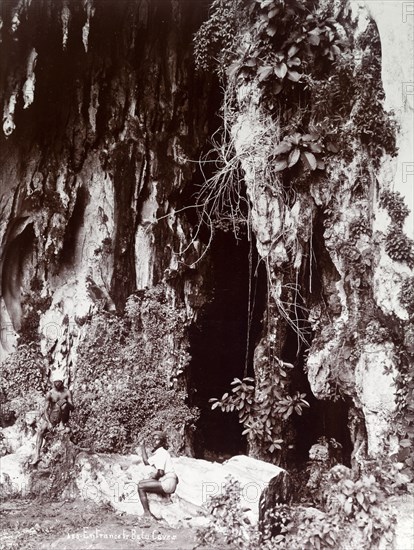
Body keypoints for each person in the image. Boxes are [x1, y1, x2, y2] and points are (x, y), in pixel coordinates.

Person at [30, 379, 74, 465]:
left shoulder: (67, 392)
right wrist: (49, 422)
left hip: (63, 416)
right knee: (40, 431)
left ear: (62, 382)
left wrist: (65, 402)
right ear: (53, 383)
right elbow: (45, 410)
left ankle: (61, 424)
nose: (57, 384)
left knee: (64, 405)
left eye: (59, 382)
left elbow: (72, 407)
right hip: (52, 415)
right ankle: (37, 455)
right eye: (56, 382)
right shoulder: (50, 394)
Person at [137, 431, 179, 520]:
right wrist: (142, 447)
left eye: (157, 440)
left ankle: (147, 513)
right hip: (168, 481)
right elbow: (146, 462)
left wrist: (153, 477)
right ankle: (166, 498)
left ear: (162, 442)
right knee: (142, 482)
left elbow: (161, 472)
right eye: (153, 439)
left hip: (168, 483)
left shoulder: (162, 453)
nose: (154, 441)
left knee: (141, 486)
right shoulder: (159, 453)